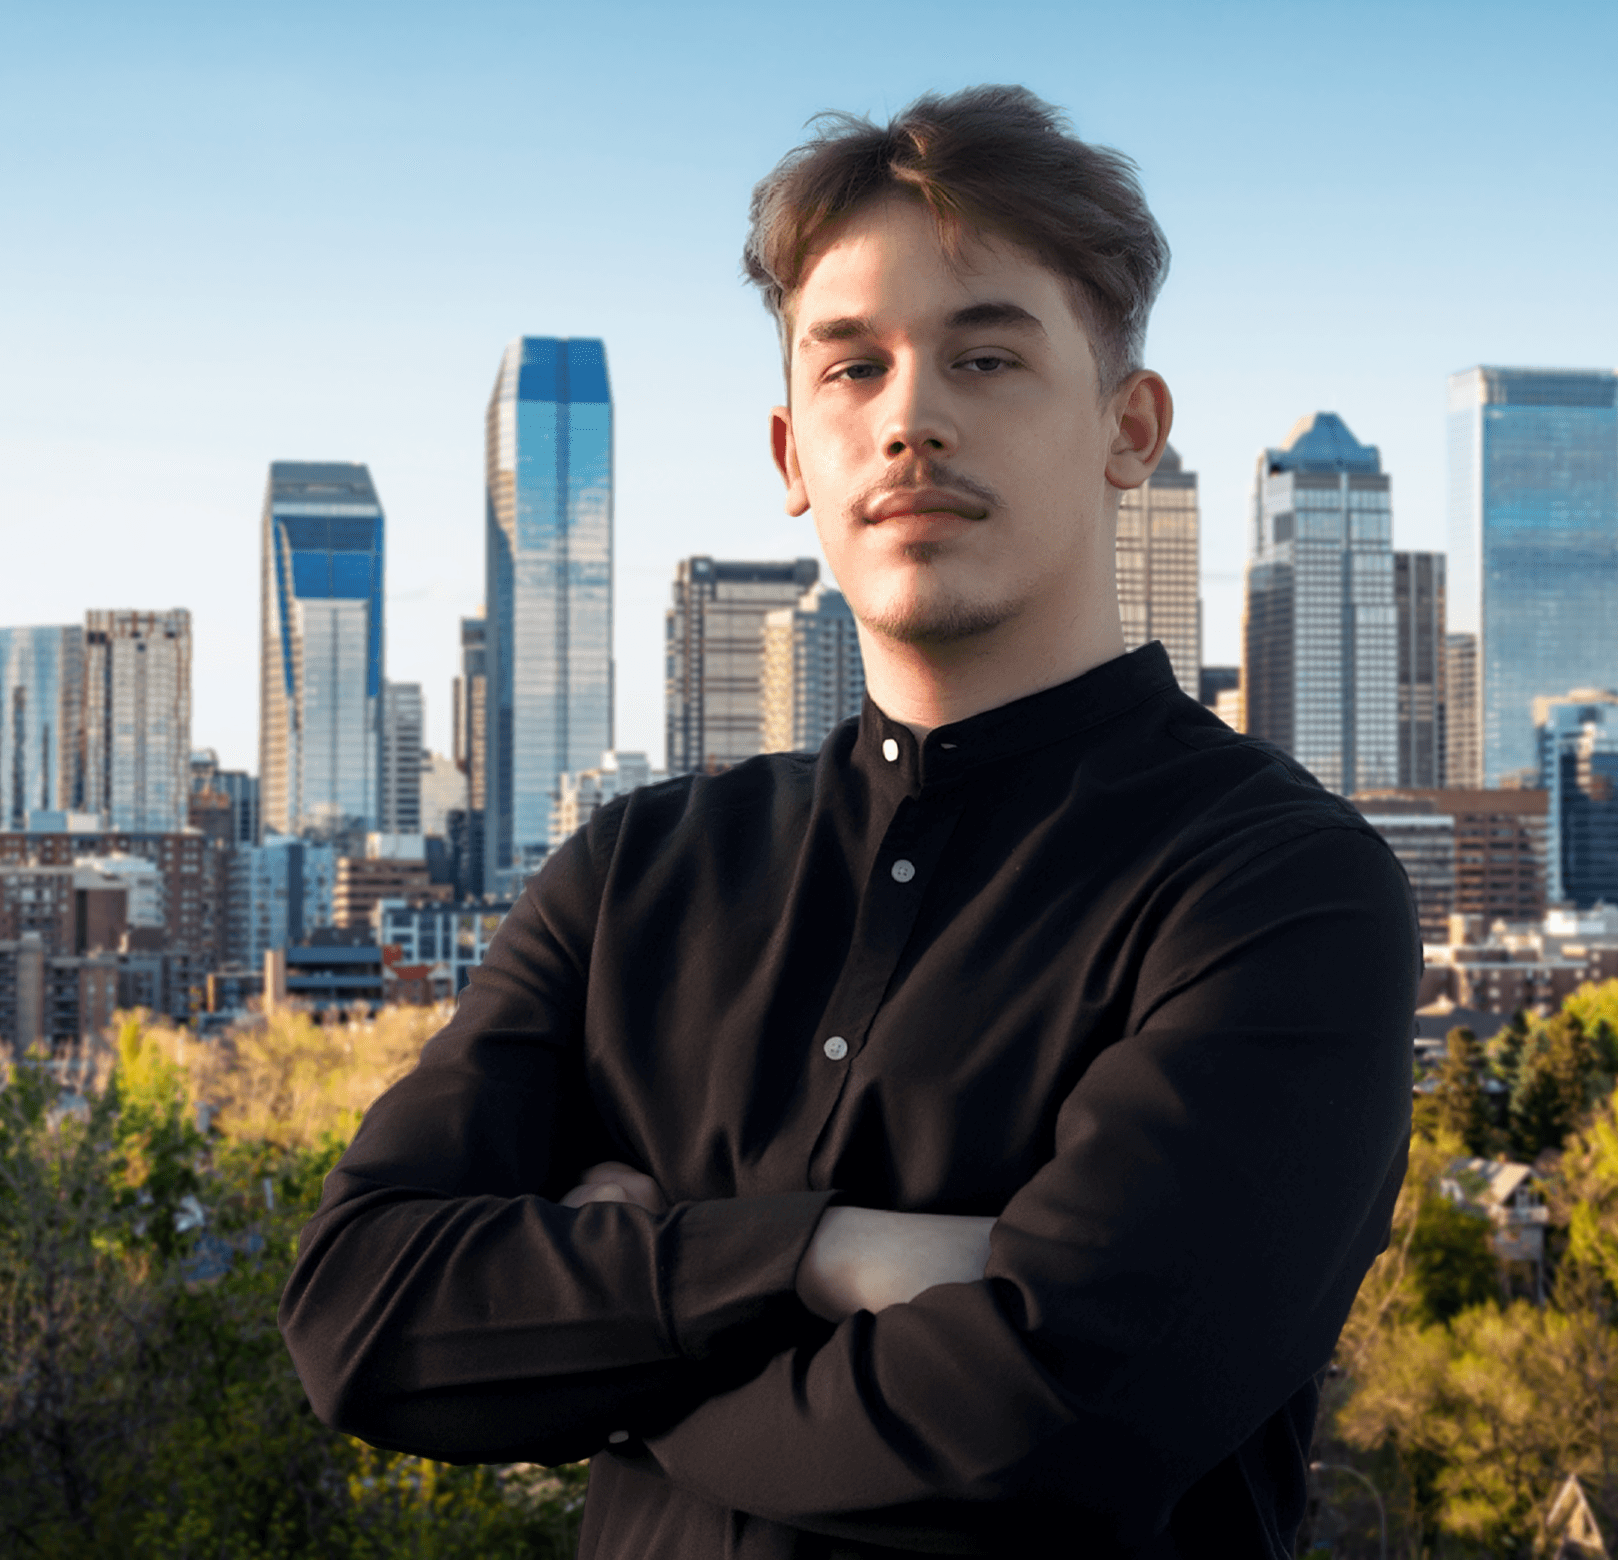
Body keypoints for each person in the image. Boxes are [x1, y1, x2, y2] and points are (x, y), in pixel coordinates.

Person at [281, 84, 1419, 1558]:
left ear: (1129, 428)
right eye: (854, 370)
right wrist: (820, 1260)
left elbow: (1058, 1417)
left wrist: (614, 1349)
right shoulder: (633, 874)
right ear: (789, 457)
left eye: (988, 356)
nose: (912, 420)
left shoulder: (1280, 889)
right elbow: (360, 1313)